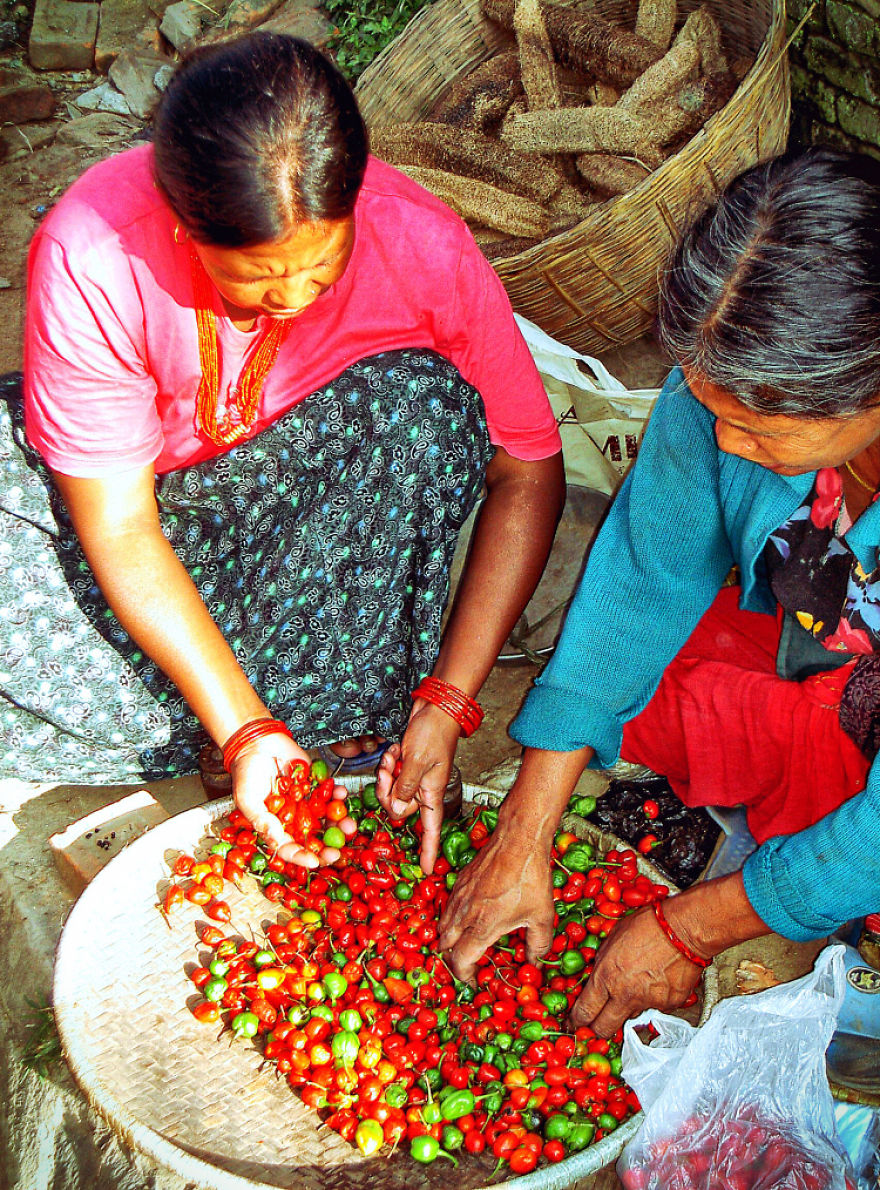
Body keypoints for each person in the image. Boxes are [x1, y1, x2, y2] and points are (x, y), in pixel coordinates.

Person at [8, 33, 564, 868]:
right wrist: (247, 728)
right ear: (184, 227)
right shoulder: (94, 248)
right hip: (140, 513)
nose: (297, 300)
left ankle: (302, 711)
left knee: (422, 407)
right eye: (261, 281)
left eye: (324, 266)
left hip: (310, 531)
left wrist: (450, 699)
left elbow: (528, 468)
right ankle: (249, 717)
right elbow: (121, 529)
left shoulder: (421, 242)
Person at [431, 147, 880, 1033]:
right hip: (818, 627)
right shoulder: (717, 397)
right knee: (629, 677)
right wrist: (526, 827)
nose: (724, 439)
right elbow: (646, 575)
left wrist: (690, 928)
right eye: (713, 409)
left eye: (755, 428)